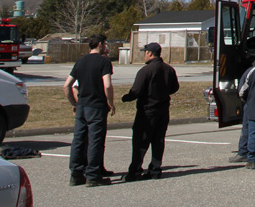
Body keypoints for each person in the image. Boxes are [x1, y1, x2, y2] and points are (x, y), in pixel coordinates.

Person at [122, 42, 180, 181]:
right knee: (158, 140)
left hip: (147, 111)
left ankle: (135, 171)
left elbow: (136, 90)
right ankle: (155, 169)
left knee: (141, 141)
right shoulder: (169, 69)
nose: (144, 54)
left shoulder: (146, 70)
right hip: (163, 109)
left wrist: (126, 98)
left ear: (150, 53)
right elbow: (175, 87)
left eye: (145, 52)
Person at [64, 34, 116, 187]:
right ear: (100, 44)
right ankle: (93, 175)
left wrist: (74, 103)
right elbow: (107, 84)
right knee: (95, 141)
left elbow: (67, 85)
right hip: (96, 106)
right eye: (105, 44)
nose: (106, 47)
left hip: (82, 106)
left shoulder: (80, 61)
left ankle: (76, 173)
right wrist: (111, 102)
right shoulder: (104, 62)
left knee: (79, 139)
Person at [229, 40, 255, 164]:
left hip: (252, 102)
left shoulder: (252, 69)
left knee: (249, 128)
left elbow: (242, 90)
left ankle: (244, 152)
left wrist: (245, 100)